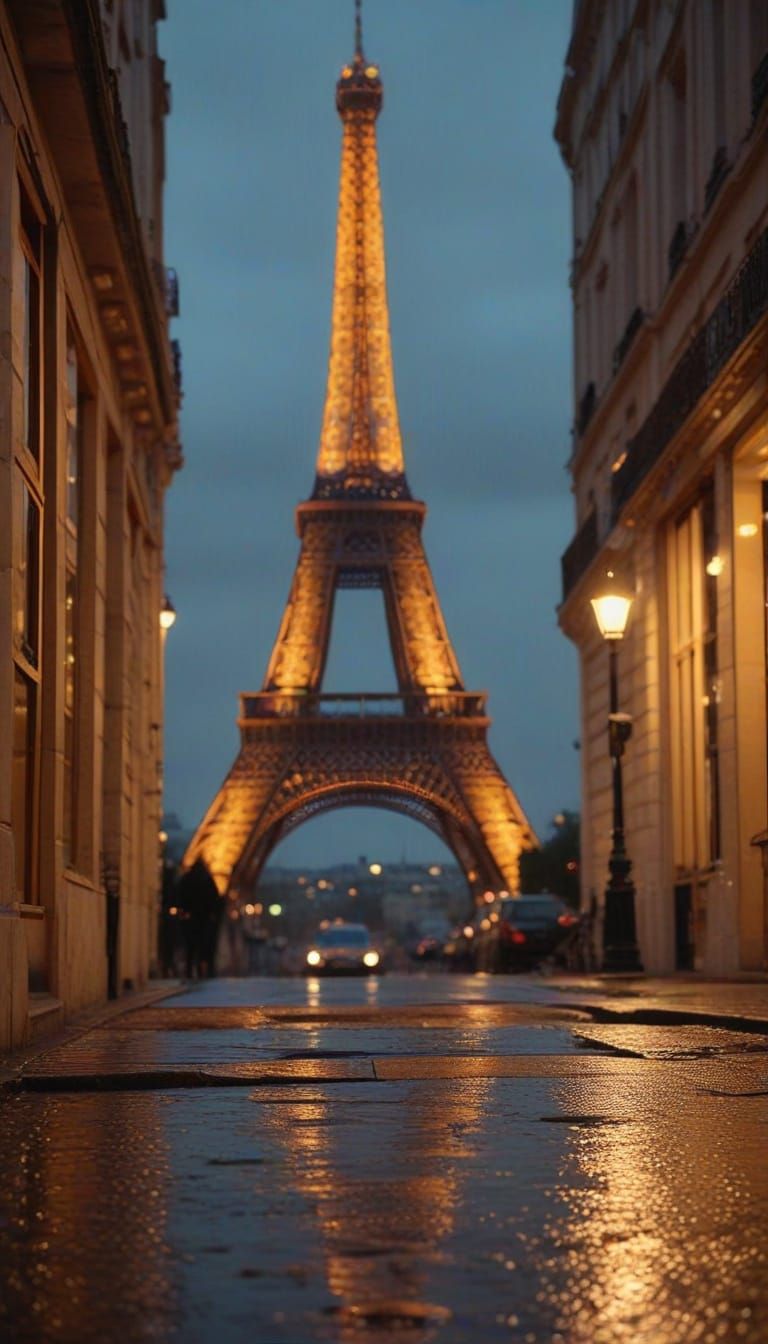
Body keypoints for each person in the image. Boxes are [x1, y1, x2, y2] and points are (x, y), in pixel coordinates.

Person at [175, 858, 222, 978]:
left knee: (190, 945)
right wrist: (212, 914)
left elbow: (180, 895)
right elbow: (215, 899)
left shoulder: (187, 879)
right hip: (203, 918)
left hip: (190, 917)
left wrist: (183, 911)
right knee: (203, 945)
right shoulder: (208, 880)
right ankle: (202, 969)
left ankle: (189, 970)